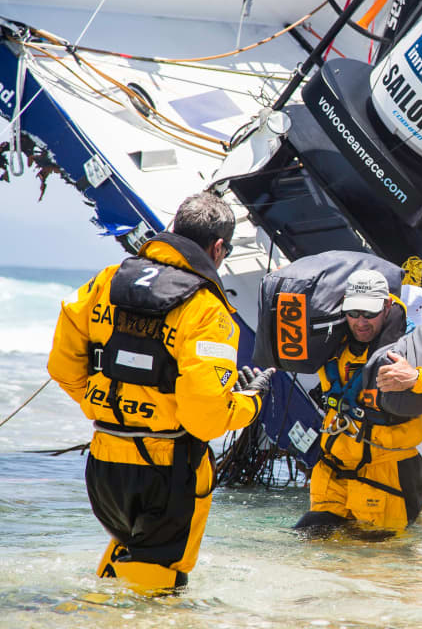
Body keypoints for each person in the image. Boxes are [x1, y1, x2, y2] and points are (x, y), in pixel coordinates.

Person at [47, 192, 273, 591]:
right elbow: (205, 419)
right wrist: (248, 403)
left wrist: (108, 407)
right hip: (167, 468)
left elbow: (62, 367)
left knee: (128, 563)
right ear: (218, 247)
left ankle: (79, 615)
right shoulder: (206, 309)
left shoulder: (107, 280)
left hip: (104, 462)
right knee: (157, 588)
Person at [295, 269, 422, 533]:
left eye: (369, 313)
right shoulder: (333, 340)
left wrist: (417, 378)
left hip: (386, 481)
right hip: (333, 473)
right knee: (309, 544)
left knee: (377, 558)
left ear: (386, 306)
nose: (360, 322)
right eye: (353, 312)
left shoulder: (414, 347)